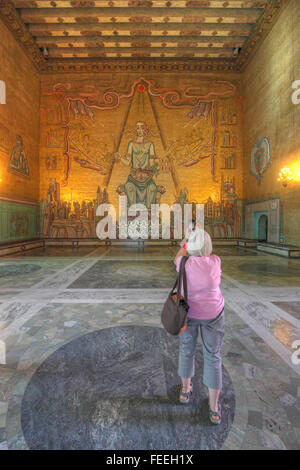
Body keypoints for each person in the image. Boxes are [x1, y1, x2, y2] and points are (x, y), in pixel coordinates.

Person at [174, 227, 225, 424]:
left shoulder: (184, 262)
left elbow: (177, 257)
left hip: (189, 313)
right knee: (213, 356)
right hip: (213, 313)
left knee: (187, 350)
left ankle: (185, 391)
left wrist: (186, 239)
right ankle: (214, 407)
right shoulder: (215, 261)